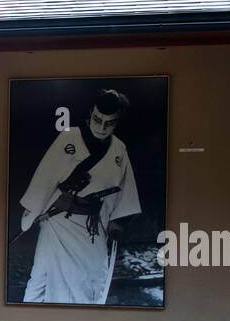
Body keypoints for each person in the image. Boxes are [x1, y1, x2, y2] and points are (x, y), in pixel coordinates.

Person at [18, 89, 141, 304]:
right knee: (42, 280)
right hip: (57, 222)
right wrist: (34, 212)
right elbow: (44, 178)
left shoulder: (119, 149)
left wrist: (117, 222)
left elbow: (124, 189)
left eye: (109, 123)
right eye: (97, 119)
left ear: (117, 122)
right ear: (90, 114)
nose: (101, 127)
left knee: (90, 281)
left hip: (93, 227)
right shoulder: (69, 137)